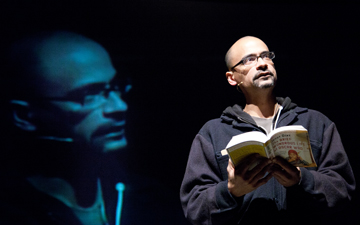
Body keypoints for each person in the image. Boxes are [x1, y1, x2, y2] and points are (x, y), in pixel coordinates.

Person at [0, 31, 186, 225]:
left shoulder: (153, 200)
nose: (120, 107)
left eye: (115, 86)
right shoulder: (10, 213)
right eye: (89, 94)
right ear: (24, 116)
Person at [180, 36, 355, 225]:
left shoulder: (315, 122)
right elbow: (194, 208)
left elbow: (343, 190)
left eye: (266, 56)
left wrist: (302, 180)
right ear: (232, 78)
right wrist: (231, 191)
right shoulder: (213, 133)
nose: (262, 64)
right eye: (250, 59)